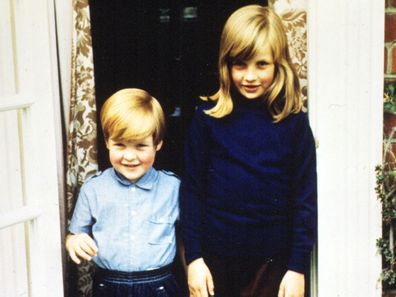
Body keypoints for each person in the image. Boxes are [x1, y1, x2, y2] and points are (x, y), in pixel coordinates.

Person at [180, 5, 317, 297]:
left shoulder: (293, 123)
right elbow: (191, 192)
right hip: (216, 262)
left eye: (261, 65)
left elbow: (304, 201)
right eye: (240, 64)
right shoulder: (207, 119)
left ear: (278, 64)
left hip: (272, 265)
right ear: (225, 64)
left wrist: (297, 268)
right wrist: (193, 259)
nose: (250, 76)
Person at [66, 88, 184, 297]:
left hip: (159, 286)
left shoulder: (173, 188)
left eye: (140, 146)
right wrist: (74, 241)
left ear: (158, 144)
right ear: (107, 142)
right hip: (108, 285)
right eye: (120, 145)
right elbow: (76, 233)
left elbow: (188, 239)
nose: (130, 156)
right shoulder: (93, 189)